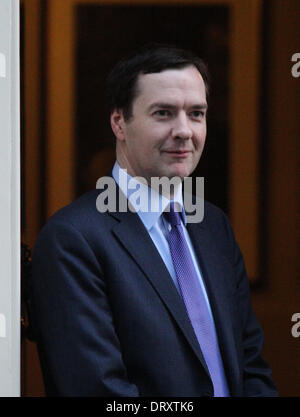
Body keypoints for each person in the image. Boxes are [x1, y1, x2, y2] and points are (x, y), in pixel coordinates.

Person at [31, 44, 278, 397]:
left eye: (196, 113)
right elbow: (99, 391)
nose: (184, 131)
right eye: (163, 113)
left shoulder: (214, 226)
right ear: (119, 122)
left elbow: (250, 367)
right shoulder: (73, 239)